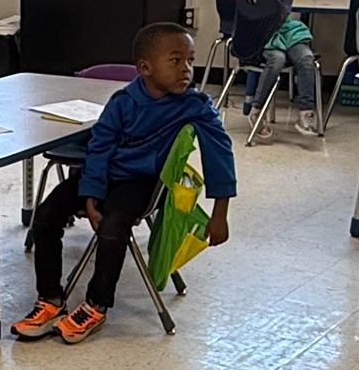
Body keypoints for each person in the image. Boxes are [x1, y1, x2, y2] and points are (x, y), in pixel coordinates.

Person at [13, 23, 235, 344]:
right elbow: (99, 147)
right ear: (145, 68)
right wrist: (90, 194)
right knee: (46, 215)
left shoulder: (195, 106)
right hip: (100, 177)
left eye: (190, 60)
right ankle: (50, 299)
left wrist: (220, 213)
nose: (186, 69)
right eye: (175, 60)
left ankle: (96, 305)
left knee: (114, 227)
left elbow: (220, 156)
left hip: (142, 186)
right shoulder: (122, 102)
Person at [229, 0, 320, 138]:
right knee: (277, 59)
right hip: (255, 35)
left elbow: (279, 18)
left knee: (306, 59)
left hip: (280, 30)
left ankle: (306, 112)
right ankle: (256, 111)